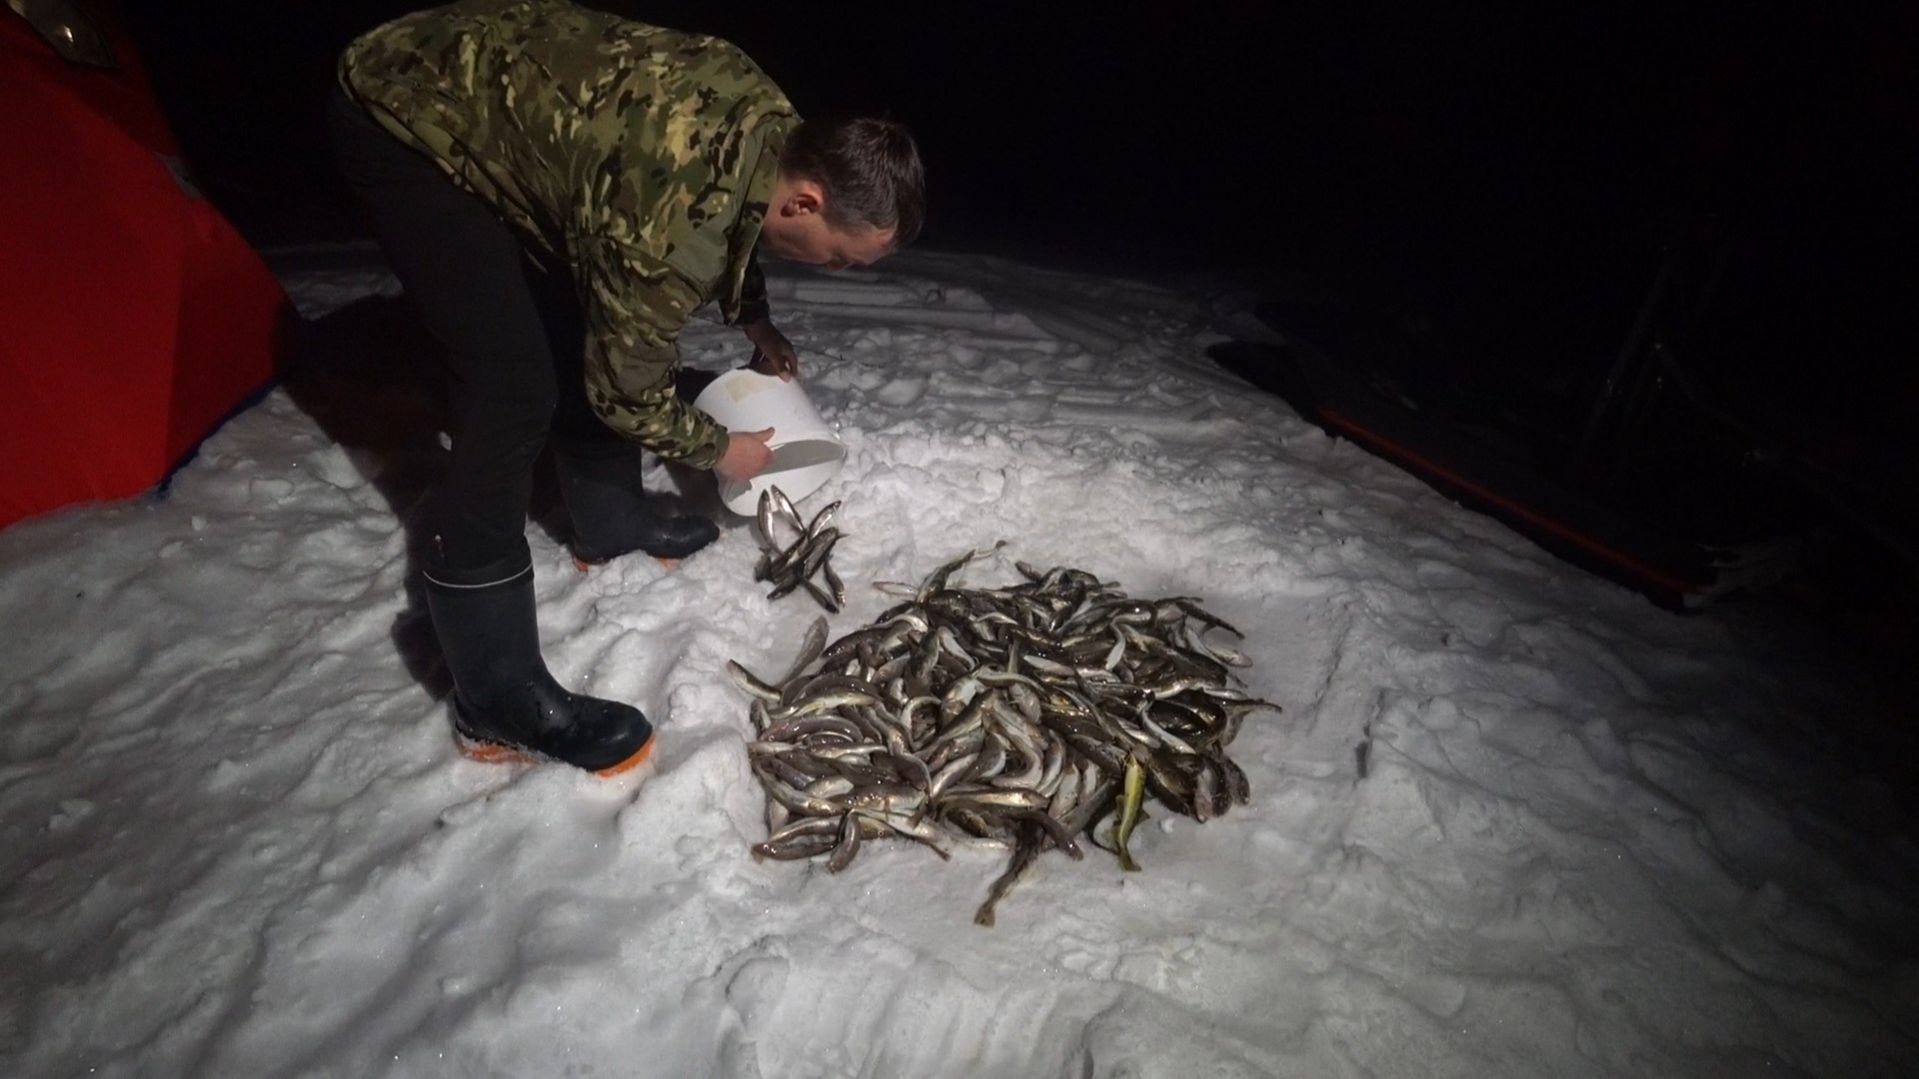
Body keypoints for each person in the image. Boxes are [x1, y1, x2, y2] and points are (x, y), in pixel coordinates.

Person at [329, 0, 924, 776]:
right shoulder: (671, 218)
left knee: (587, 312)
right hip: (406, 116)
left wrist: (754, 319)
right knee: (510, 389)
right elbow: (625, 388)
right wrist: (720, 448)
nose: (837, 269)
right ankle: (495, 698)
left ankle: (604, 522)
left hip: (512, 113)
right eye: (842, 256)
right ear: (807, 200)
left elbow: (739, 218)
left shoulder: (774, 132)